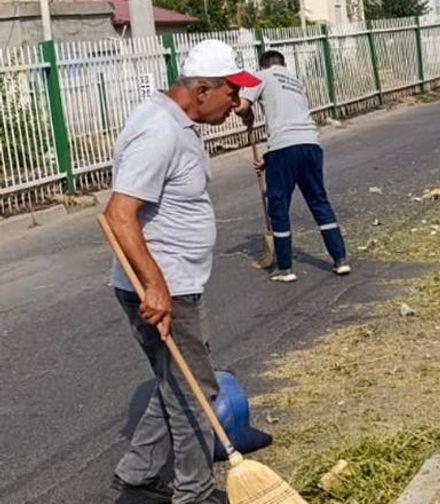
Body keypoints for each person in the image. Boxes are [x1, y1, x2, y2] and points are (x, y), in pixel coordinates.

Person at [104, 39, 260, 504]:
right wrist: (156, 287)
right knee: (196, 389)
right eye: (232, 93)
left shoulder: (181, 121)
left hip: (172, 281)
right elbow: (119, 214)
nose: (237, 103)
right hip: (162, 285)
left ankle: (137, 473)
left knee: (180, 381)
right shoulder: (160, 131)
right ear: (203, 90)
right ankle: (192, 492)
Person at [235, 50, 350, 283]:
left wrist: (247, 115)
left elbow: (241, 106)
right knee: (319, 201)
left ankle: (285, 268)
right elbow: (291, 121)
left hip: (284, 149)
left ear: (263, 65)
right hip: (310, 145)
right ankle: (340, 259)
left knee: (278, 205)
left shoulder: (261, 76)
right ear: (283, 64)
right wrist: (267, 159)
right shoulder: (294, 81)